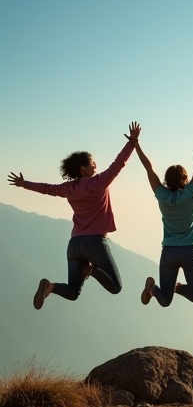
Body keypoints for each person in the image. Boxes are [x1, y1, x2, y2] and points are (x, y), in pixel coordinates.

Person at [7, 122, 141, 309]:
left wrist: (24, 183)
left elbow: (47, 189)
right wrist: (133, 141)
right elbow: (119, 163)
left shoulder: (68, 188)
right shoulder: (98, 183)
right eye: (92, 162)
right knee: (115, 286)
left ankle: (50, 287)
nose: (95, 164)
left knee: (72, 292)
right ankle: (91, 269)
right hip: (95, 243)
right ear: (83, 169)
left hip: (74, 244)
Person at [136, 122, 193, 307]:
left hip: (168, 252)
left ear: (165, 181)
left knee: (165, 301)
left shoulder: (161, 195)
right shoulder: (191, 194)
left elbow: (148, 168)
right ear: (186, 180)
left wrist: (136, 143)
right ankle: (175, 288)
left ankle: (152, 289)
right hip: (190, 251)